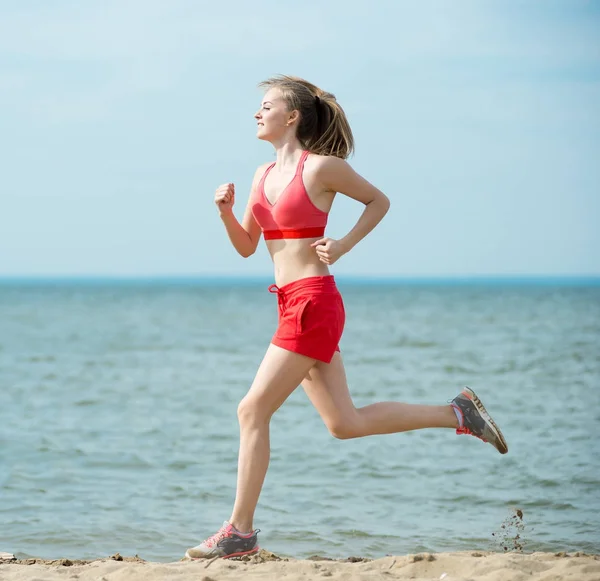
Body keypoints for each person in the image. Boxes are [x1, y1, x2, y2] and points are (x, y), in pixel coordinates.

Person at [184, 75, 508, 560]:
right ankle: (457, 413)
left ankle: (239, 533)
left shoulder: (322, 169)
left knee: (251, 410)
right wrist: (226, 212)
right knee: (344, 423)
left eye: (266, 106)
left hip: (314, 301)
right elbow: (248, 247)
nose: (257, 113)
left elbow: (379, 201)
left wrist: (343, 245)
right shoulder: (258, 176)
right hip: (289, 300)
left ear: (291, 117)